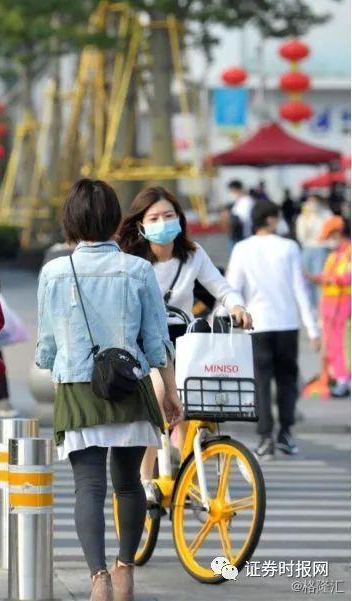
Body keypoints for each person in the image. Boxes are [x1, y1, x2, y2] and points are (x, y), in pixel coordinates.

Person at [36, 179, 183, 601]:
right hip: (130, 386)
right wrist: (170, 391)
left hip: (80, 390)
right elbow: (157, 341)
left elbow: (46, 348)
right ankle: (125, 568)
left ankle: (97, 578)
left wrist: (56, 361)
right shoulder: (137, 270)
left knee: (88, 488)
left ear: (70, 220)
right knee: (130, 484)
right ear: (117, 221)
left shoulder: (54, 272)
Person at [117, 186, 252, 502]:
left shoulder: (193, 255)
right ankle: (145, 478)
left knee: (200, 396)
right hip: (144, 342)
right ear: (141, 224)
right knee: (159, 394)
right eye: (154, 217)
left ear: (179, 218)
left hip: (185, 339)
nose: (163, 222)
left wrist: (237, 307)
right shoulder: (130, 260)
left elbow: (222, 288)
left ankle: (181, 463)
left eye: (169, 215)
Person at [227, 200, 319, 460]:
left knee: (261, 382)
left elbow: (232, 287)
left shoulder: (242, 249)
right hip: (286, 323)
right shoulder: (289, 247)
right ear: (270, 219)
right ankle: (286, 434)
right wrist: (312, 329)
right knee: (287, 380)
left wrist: (220, 319)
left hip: (255, 324)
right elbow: (299, 289)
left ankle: (265, 437)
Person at [308, 216, 350, 397]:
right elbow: (328, 276)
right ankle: (339, 378)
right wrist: (314, 278)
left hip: (343, 304)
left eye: (331, 237)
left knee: (341, 344)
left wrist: (327, 279)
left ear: (338, 233)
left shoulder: (348, 252)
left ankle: (343, 380)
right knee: (332, 344)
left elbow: (346, 277)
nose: (329, 242)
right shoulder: (333, 255)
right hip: (330, 305)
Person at [296, 194, 333, 310]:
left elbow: (329, 232)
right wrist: (306, 219)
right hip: (307, 248)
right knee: (305, 280)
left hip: (321, 248)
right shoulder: (303, 217)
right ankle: (310, 308)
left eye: (314, 202)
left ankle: (321, 307)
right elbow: (301, 236)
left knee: (319, 279)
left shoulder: (326, 214)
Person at [225, 180, 255, 251]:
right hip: (236, 235)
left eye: (231, 191)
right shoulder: (238, 201)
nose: (231, 193)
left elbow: (244, 219)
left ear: (235, 189)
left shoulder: (247, 201)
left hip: (243, 236)